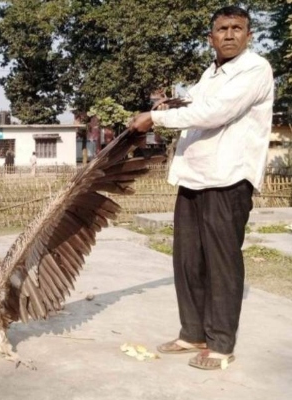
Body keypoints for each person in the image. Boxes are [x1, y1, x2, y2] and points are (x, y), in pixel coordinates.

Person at [128, 5, 273, 371]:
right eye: (221, 29)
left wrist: (156, 117)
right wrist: (169, 104)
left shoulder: (255, 69)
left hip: (228, 178)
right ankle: (193, 332)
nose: (229, 34)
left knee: (222, 262)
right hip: (194, 175)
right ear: (211, 38)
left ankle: (221, 343)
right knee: (188, 258)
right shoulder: (211, 73)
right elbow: (195, 104)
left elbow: (215, 113)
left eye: (236, 28)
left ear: (249, 35)